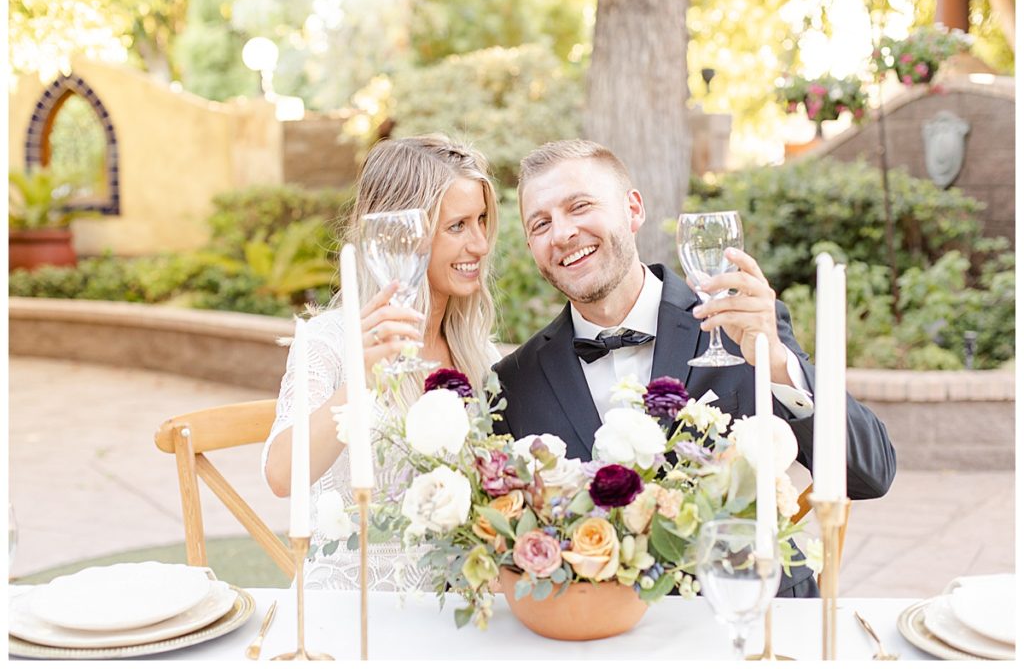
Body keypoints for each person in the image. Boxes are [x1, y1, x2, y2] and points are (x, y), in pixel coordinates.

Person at [493, 139, 896, 598]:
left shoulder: (738, 325)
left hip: (760, 617)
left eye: (579, 206)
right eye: (540, 223)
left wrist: (779, 365)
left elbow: (871, 474)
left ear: (633, 210)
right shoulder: (516, 382)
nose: (562, 233)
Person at [262, 134, 500, 590]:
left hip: (452, 613)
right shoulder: (331, 341)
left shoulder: (480, 356)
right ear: (399, 239)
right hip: (350, 616)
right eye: (458, 226)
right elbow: (281, 475)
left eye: (482, 221)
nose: (480, 244)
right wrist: (363, 376)